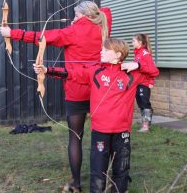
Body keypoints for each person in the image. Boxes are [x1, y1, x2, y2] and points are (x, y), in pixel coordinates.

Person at [0, 1, 112, 192]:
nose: (73, 19)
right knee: (103, 136)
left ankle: (76, 184)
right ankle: (107, 179)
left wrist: (11, 34)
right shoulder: (104, 26)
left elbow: (40, 37)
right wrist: (88, 14)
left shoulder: (72, 31)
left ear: (84, 16)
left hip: (77, 89)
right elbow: (106, 12)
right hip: (100, 88)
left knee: (75, 137)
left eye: (76, 15)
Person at [34, 38, 159, 192]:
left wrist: (138, 64)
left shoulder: (132, 73)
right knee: (98, 170)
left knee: (121, 169)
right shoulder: (95, 70)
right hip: (100, 130)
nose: (101, 52)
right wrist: (47, 70)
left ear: (117, 55)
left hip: (122, 131)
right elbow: (72, 73)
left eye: (106, 50)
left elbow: (154, 71)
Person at [130, 33, 159, 132]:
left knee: (145, 104)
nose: (132, 43)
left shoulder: (145, 54)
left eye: (133, 41)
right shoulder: (138, 54)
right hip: (138, 83)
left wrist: (151, 81)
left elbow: (153, 70)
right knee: (141, 104)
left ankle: (146, 126)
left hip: (144, 84)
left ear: (140, 42)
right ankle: (144, 124)